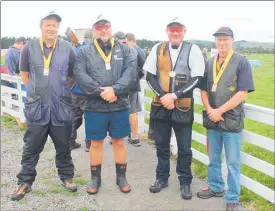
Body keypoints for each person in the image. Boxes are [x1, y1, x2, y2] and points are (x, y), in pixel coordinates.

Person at [11, 11, 77, 201]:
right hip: (37, 108)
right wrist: (37, 92)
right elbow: (24, 74)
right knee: (31, 148)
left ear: (58, 28)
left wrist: (62, 90)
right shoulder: (29, 48)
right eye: (48, 24)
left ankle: (67, 177)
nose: (51, 28)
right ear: (41, 27)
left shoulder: (67, 47)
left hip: (61, 108)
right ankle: (24, 182)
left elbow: (72, 74)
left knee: (64, 146)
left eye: (55, 25)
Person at [73, 14, 137, 195]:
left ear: (111, 27)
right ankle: (95, 178)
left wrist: (115, 90)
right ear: (94, 30)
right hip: (95, 105)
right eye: (99, 27)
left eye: (106, 26)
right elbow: (80, 75)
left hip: (120, 104)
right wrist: (103, 92)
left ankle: (121, 177)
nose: (103, 30)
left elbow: (130, 73)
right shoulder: (84, 52)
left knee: (119, 141)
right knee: (95, 143)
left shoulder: (126, 50)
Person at [143, 17, 205, 200]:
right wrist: (164, 96)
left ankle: (185, 181)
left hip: (182, 106)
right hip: (161, 105)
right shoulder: (157, 48)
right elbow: (149, 76)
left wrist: (174, 96)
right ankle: (162, 178)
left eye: (178, 29)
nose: (175, 32)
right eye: (172, 29)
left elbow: (197, 78)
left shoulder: (193, 49)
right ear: (167, 31)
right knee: (161, 145)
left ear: (184, 31)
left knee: (184, 148)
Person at [196, 27, 255, 211]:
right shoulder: (210, 62)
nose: (222, 43)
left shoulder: (242, 62)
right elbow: (203, 90)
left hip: (231, 120)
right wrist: (210, 110)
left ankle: (232, 198)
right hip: (212, 119)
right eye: (219, 39)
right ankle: (215, 187)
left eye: (225, 39)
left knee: (232, 162)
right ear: (215, 42)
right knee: (213, 158)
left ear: (232, 40)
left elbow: (243, 93)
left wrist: (219, 110)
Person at [69, 29, 93, 151]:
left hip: (74, 89)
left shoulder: (75, 48)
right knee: (90, 118)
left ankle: (71, 141)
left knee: (74, 117)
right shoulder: (93, 50)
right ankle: (89, 144)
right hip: (88, 91)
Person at [126, 32, 146, 146]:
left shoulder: (130, 50)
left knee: (127, 111)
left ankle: (130, 135)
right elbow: (144, 68)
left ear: (129, 40)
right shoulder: (141, 50)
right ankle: (135, 136)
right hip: (135, 84)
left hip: (127, 83)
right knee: (134, 111)